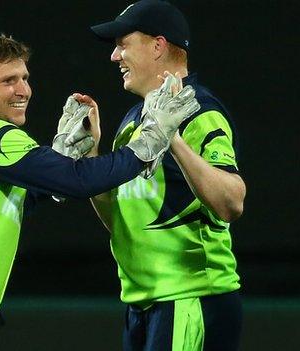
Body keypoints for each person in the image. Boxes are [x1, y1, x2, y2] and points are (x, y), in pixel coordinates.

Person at [0, 33, 198, 350]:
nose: (23, 90)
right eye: (8, 81)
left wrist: (63, 153)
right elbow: (77, 182)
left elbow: (18, 200)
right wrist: (149, 141)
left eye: (24, 78)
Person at [77, 1, 246, 350]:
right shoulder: (131, 123)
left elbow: (232, 202)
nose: (114, 56)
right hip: (142, 305)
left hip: (191, 298)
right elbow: (123, 221)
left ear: (157, 45)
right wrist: (90, 155)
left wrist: (173, 140)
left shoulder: (199, 111)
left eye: (123, 43)